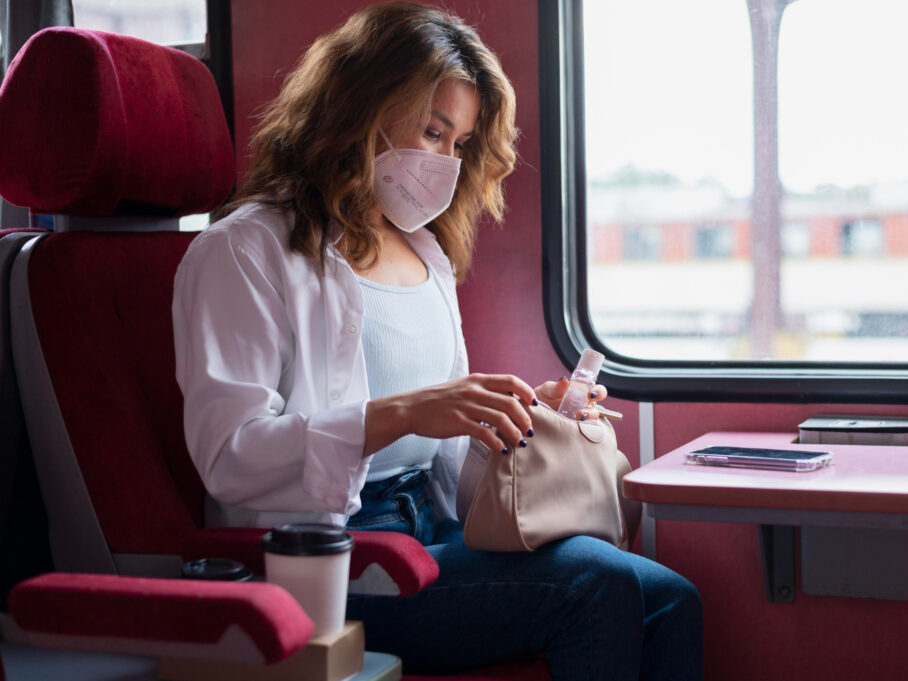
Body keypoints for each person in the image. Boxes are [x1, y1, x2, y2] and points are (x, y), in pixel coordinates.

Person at [171, 3, 701, 679]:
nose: (448, 162)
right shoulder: (244, 252)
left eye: (460, 144)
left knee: (671, 600)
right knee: (593, 583)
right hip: (334, 557)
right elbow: (230, 456)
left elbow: (447, 460)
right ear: (360, 108)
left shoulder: (427, 256)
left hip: (436, 524)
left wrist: (514, 416)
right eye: (433, 130)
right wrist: (406, 411)